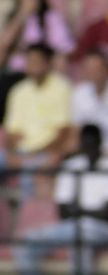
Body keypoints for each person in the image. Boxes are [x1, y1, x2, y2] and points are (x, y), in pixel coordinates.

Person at [12, 123, 108, 275]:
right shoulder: (72, 166)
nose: (89, 148)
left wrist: (80, 210)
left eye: (93, 144)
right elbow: (64, 210)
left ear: (101, 144)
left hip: (104, 230)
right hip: (73, 226)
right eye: (85, 144)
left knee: (79, 242)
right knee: (24, 243)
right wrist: (90, 211)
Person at [0, 42, 71, 194]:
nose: (33, 66)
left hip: (47, 154)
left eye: (37, 61)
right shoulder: (18, 91)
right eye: (30, 61)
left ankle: (29, 216)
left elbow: (63, 133)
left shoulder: (62, 88)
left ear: (48, 63)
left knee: (30, 170)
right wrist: (13, 154)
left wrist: (35, 155)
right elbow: (11, 133)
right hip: (20, 153)